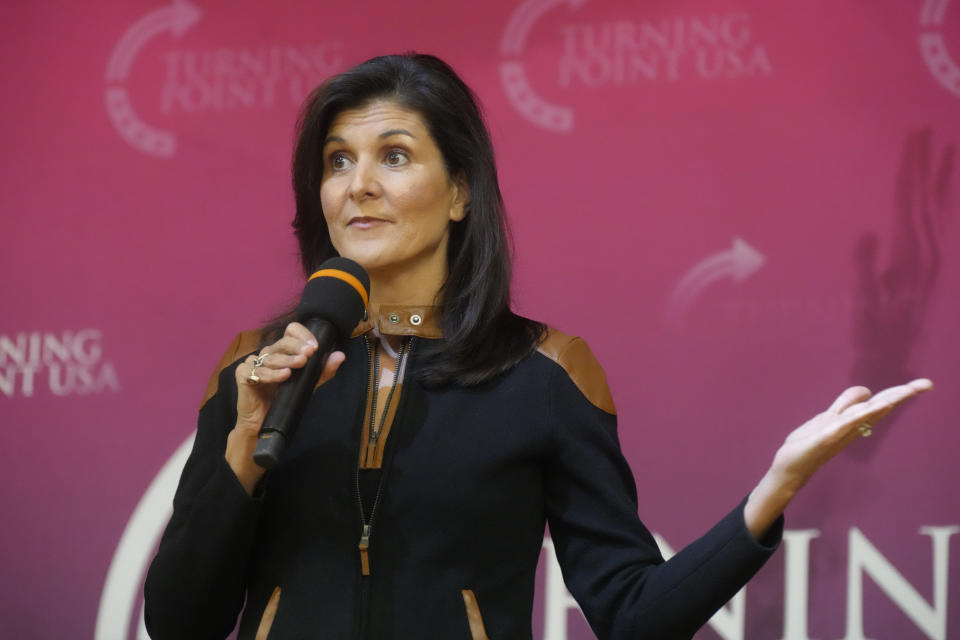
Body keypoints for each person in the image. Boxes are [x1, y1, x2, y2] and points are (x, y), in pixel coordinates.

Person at [143, 53, 932, 640]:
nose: (358, 186)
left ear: (458, 192)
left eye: (394, 156)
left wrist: (774, 490)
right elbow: (179, 623)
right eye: (337, 161)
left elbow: (631, 612)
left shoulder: (543, 373)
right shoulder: (259, 367)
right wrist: (243, 452)